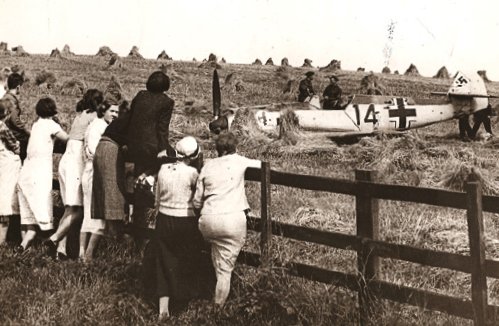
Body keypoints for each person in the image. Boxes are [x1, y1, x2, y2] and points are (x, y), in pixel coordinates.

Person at [193, 132, 261, 306]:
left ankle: (208, 294)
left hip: (208, 220)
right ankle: (218, 308)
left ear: (217, 149)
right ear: (235, 147)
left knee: (217, 257)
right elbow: (264, 166)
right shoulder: (240, 161)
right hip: (232, 221)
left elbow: (196, 200)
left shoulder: (207, 166)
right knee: (225, 270)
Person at [155, 136, 209, 319]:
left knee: (163, 260)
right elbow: (198, 199)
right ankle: (183, 303)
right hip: (184, 219)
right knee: (187, 259)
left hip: (163, 218)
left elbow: (156, 199)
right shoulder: (192, 174)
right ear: (193, 156)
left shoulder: (162, 169)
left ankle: (163, 308)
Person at [46, 90, 103, 260]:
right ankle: (54, 239)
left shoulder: (81, 114)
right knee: (78, 209)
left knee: (70, 208)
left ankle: (61, 249)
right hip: (76, 160)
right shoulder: (93, 116)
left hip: (67, 159)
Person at [17, 98, 69, 253]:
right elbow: (67, 139)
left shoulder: (36, 125)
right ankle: (48, 245)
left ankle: (23, 246)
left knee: (28, 211)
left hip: (27, 168)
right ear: (53, 110)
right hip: (39, 170)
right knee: (42, 207)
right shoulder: (51, 125)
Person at [127, 71, 176, 234]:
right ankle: (149, 178)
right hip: (150, 147)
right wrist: (163, 149)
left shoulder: (140, 95)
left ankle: (144, 178)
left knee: (137, 188)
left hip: (133, 145)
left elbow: (131, 118)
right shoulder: (167, 102)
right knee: (174, 157)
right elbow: (162, 129)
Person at [79, 101, 119, 260]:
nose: (115, 115)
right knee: (98, 216)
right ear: (104, 110)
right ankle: (87, 256)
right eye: (112, 111)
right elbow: (98, 152)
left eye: (117, 112)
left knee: (88, 214)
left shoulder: (94, 124)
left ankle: (81, 254)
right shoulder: (100, 127)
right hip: (96, 172)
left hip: (89, 171)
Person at [92, 99, 130, 237]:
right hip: (110, 150)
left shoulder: (115, 124)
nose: (115, 115)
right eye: (112, 111)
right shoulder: (102, 125)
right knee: (113, 196)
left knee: (109, 197)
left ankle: (111, 240)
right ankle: (112, 240)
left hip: (104, 150)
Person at [0, 100, 21, 246]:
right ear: (7, 114)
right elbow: (15, 147)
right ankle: (2, 241)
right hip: (6, 165)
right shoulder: (3, 128)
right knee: (6, 200)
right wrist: (18, 145)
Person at [3, 73, 30, 162]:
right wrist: (27, 131)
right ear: (18, 87)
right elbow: (15, 121)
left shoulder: (5, 97)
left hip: (7, 130)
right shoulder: (10, 100)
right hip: (13, 133)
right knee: (28, 139)